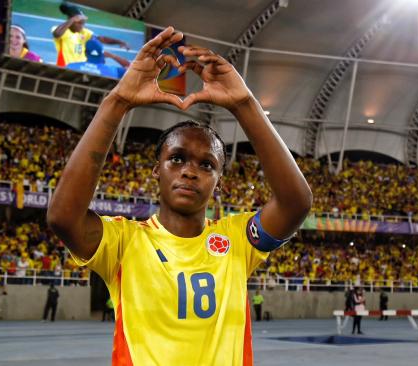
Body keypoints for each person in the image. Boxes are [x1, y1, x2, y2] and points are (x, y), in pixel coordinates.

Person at [47, 27, 312, 365]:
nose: (190, 170)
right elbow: (62, 218)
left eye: (207, 164)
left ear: (218, 180)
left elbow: (296, 204)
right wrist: (118, 102)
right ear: (156, 169)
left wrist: (245, 104)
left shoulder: (235, 240)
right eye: (177, 158)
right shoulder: (125, 243)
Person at [52, 2, 129, 67]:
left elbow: (102, 39)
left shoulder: (85, 32)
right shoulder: (63, 31)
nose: (82, 26)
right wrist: (72, 19)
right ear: (71, 21)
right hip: (66, 67)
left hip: (80, 67)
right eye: (79, 23)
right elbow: (57, 34)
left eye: (83, 23)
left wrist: (120, 42)